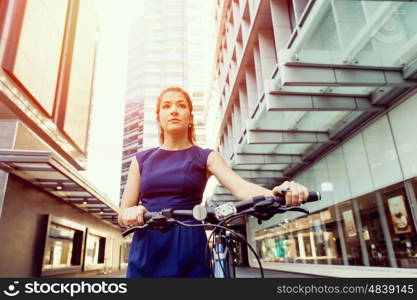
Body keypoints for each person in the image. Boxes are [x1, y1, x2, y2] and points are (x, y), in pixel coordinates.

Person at [118, 87, 309, 277]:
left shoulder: (206, 157)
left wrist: (278, 193)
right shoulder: (141, 160)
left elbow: (242, 188)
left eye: (181, 105)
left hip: (190, 247)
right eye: (166, 106)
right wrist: (132, 213)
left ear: (190, 116)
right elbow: (122, 214)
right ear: (158, 117)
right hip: (147, 249)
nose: (174, 110)